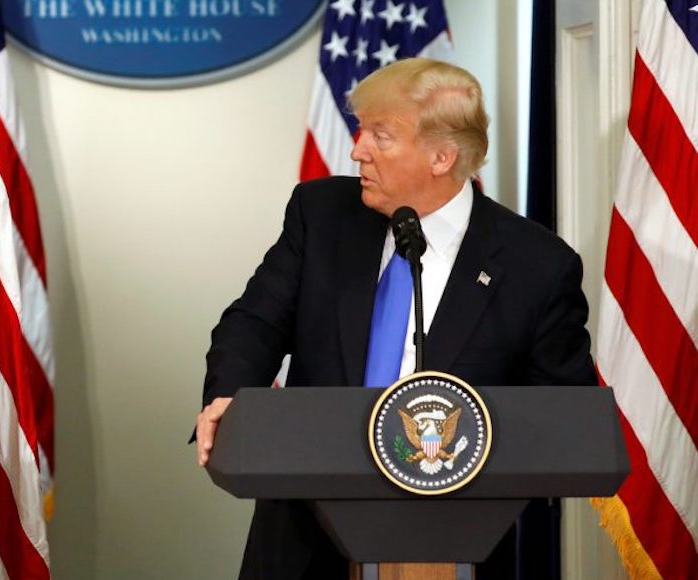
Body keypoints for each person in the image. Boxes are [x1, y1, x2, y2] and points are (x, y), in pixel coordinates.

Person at [195, 58, 596, 579]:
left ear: (441, 157)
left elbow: (561, 415)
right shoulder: (321, 214)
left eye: (380, 136)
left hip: (458, 546)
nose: (357, 149)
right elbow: (254, 322)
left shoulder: (537, 266)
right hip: (304, 542)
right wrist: (231, 395)